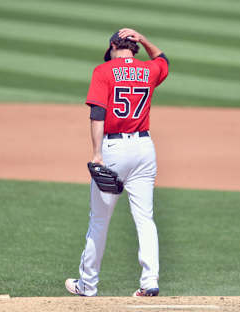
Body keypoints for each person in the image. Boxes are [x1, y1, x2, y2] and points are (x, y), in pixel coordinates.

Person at [65, 28, 169, 297]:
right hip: (145, 149)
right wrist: (144, 38)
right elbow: (164, 59)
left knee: (99, 221)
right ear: (134, 47)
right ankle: (150, 281)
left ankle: (87, 285)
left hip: (114, 149)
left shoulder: (104, 71)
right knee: (145, 218)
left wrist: (96, 153)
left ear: (113, 45)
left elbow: (98, 113)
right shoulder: (148, 69)